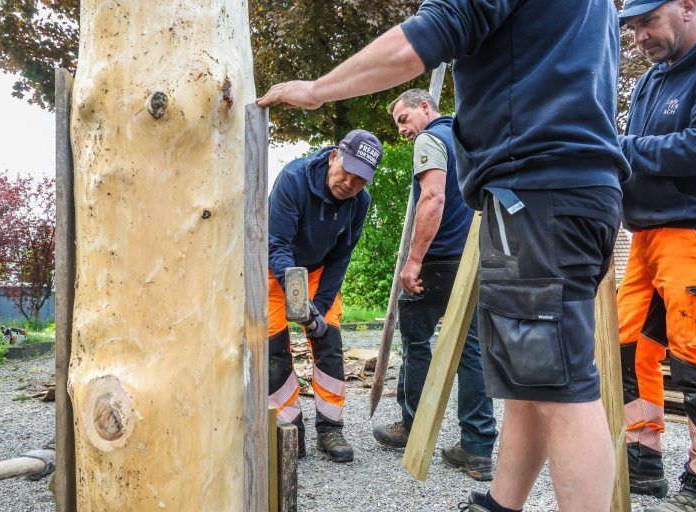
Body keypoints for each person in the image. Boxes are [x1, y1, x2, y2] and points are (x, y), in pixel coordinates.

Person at [257, 0, 629, 510]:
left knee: (562, 388)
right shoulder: (594, 9)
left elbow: (425, 37)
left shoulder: (402, 165)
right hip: (562, 189)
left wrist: (317, 90)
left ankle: (336, 427)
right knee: (533, 380)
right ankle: (500, 503)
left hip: (537, 190)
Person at [617, 1, 696, 509]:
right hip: (647, 235)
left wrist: (618, 150)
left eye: (646, 23)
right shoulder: (653, 79)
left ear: (687, 7)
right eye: (631, 29)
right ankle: (642, 456)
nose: (638, 37)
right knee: (626, 344)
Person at [372, 88, 497, 481]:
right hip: (473, 256)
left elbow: (432, 197)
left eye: (403, 120)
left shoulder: (430, 139)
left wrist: (413, 261)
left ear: (424, 107)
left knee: (416, 343)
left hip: (437, 260)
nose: (403, 130)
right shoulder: (468, 134)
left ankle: (414, 428)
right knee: (472, 349)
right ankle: (477, 450)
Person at [268, 129, 383, 463]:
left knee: (329, 341)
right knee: (274, 351)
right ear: (335, 155)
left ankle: (330, 428)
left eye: (360, 180)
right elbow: (278, 246)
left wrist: (317, 308)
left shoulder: (359, 202)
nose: (349, 183)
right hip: (276, 271)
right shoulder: (293, 180)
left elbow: (341, 256)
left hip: (319, 273)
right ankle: (290, 431)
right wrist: (299, 304)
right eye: (346, 171)